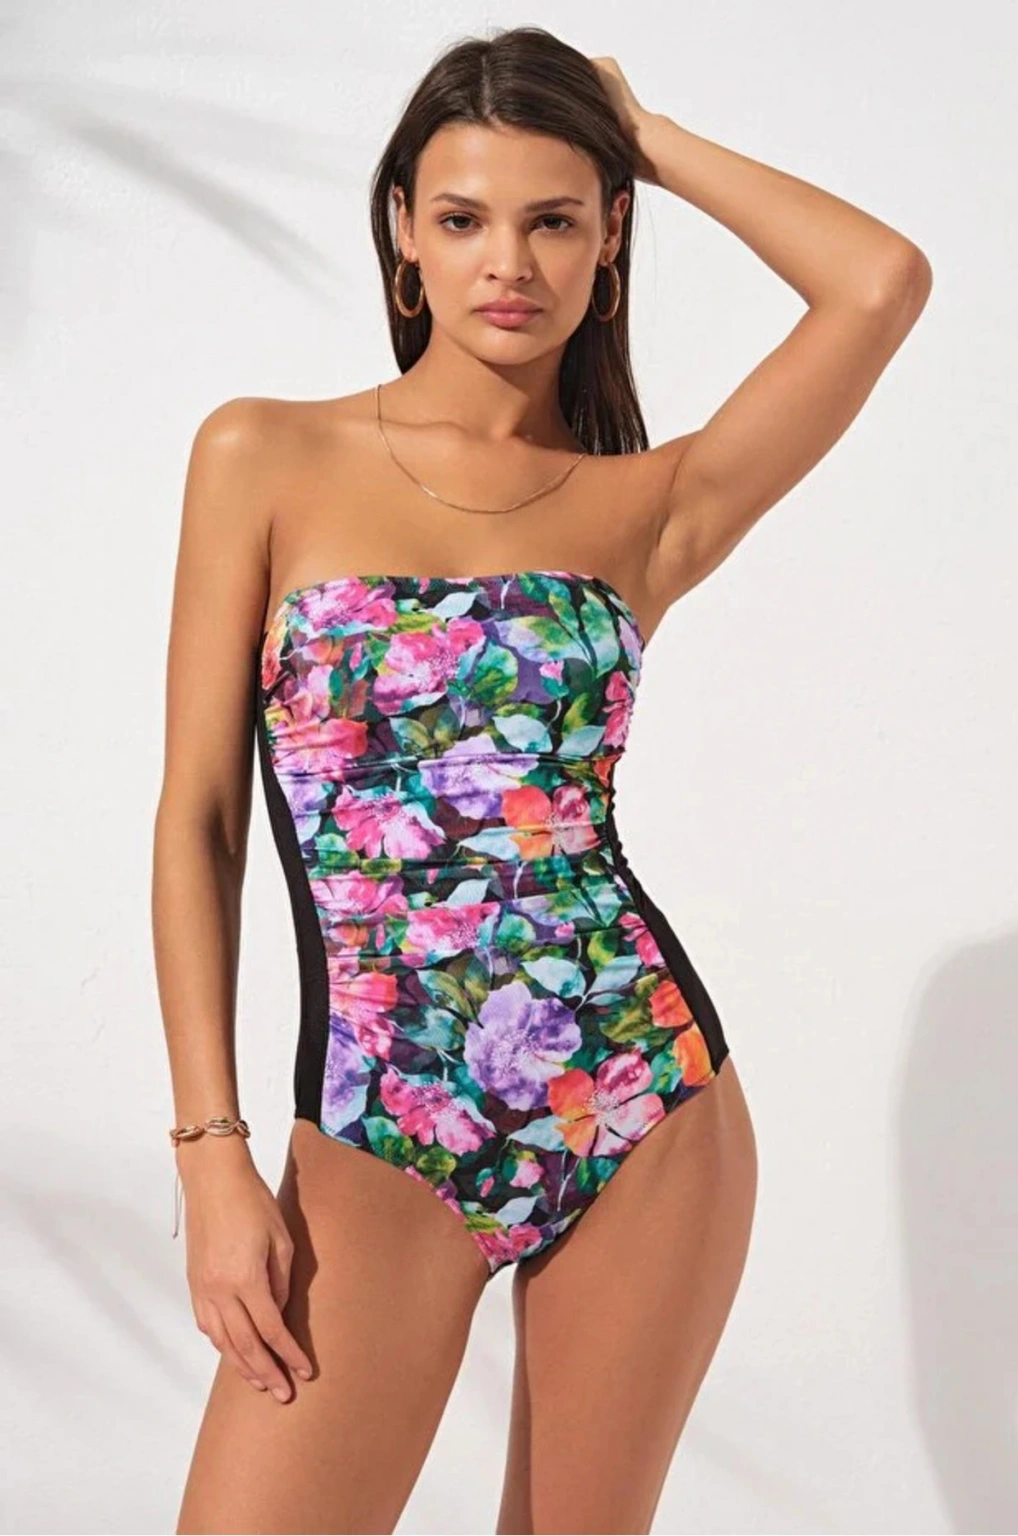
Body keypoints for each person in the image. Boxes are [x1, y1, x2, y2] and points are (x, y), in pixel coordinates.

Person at [153, 25, 931, 1536]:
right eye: (463, 218)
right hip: (381, 1126)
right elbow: (200, 821)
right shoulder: (264, 455)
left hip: (642, 1101)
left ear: (610, 235)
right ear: (405, 232)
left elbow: (879, 281)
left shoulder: (649, 506)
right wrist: (211, 1156)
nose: (507, 262)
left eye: (555, 219)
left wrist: (640, 132)